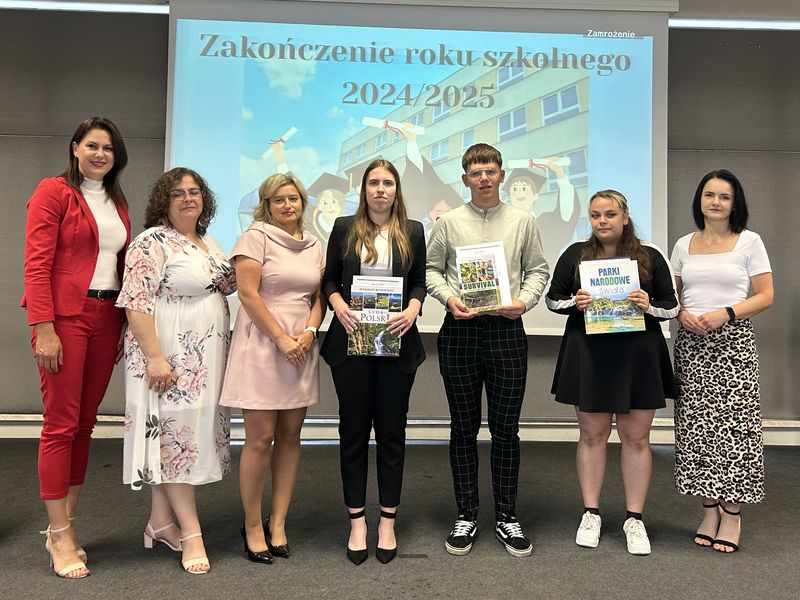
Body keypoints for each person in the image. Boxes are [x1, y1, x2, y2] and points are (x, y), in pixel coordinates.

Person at [426, 143, 549, 558]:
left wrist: (525, 302)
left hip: (507, 331)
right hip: (460, 332)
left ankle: (507, 516)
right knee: (463, 428)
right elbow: (431, 269)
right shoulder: (448, 222)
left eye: (490, 171)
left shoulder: (523, 221)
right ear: (465, 179)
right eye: (476, 172)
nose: (483, 178)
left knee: (505, 430)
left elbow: (538, 270)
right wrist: (448, 298)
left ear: (501, 175)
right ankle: (466, 514)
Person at [22, 117, 130, 579]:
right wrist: (43, 327)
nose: (100, 154)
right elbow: (36, 264)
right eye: (92, 145)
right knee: (60, 425)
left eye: (108, 148)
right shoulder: (54, 192)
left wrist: (124, 322)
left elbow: (119, 265)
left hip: (107, 317)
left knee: (86, 424)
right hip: (64, 318)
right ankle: (60, 534)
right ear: (74, 148)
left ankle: (64, 525)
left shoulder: (117, 201)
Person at [545, 189, 679, 556]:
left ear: (625, 216)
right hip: (590, 354)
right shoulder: (575, 254)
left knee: (637, 438)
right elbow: (553, 299)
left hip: (638, 355)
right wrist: (576, 302)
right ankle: (591, 514)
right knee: (592, 436)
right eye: (595, 215)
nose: (602, 221)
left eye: (609, 214)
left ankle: (634, 519)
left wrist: (648, 305)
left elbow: (672, 307)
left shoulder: (650, 255)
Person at [117, 167, 236, 574]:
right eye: (178, 192)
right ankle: (191, 532)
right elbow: (135, 303)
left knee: (177, 437)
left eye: (195, 191)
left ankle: (160, 522)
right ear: (163, 201)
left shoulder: (207, 242)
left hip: (202, 358)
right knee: (174, 440)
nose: (188, 198)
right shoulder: (151, 241)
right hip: (167, 355)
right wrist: (155, 357)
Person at [320, 158, 426, 565]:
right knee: (352, 434)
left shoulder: (412, 230)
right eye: (373, 183)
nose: (381, 189)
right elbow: (330, 279)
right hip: (351, 342)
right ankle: (357, 523)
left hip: (397, 342)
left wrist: (413, 308)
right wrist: (338, 305)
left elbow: (418, 281)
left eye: (388, 183)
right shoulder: (343, 227)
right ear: (363, 189)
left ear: (397, 190)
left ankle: (387, 522)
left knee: (392, 435)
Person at [220, 173, 325, 564]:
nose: (287, 205)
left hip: (301, 345)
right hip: (264, 343)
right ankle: (251, 524)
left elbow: (318, 296)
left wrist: (309, 332)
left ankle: (277, 521)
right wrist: (281, 338)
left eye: (293, 198)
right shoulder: (255, 237)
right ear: (266, 204)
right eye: (278, 199)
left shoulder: (315, 243)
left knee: (291, 436)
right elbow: (248, 294)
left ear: (302, 202)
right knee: (260, 438)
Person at [671, 169, 773, 553]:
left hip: (733, 343)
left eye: (724, 197)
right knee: (696, 430)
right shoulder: (683, 244)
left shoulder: (750, 241)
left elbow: (765, 296)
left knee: (735, 429)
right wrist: (682, 315)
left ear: (734, 203)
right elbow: (672, 297)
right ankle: (709, 509)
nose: (716, 202)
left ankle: (732, 513)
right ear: (699, 200)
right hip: (692, 344)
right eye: (709, 195)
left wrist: (726, 313)